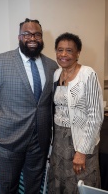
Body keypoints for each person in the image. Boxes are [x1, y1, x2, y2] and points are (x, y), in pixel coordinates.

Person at [0, 18, 58, 194]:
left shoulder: (52, 66)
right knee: (8, 185)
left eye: (37, 34)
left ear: (41, 37)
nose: (32, 38)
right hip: (7, 138)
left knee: (34, 183)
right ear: (19, 37)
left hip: (40, 138)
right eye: (27, 34)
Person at [48, 32, 104, 194]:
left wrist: (82, 151)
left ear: (78, 53)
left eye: (69, 50)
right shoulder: (56, 74)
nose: (63, 54)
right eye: (60, 50)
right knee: (59, 179)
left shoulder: (87, 74)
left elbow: (95, 116)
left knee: (80, 180)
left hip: (81, 139)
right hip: (59, 140)